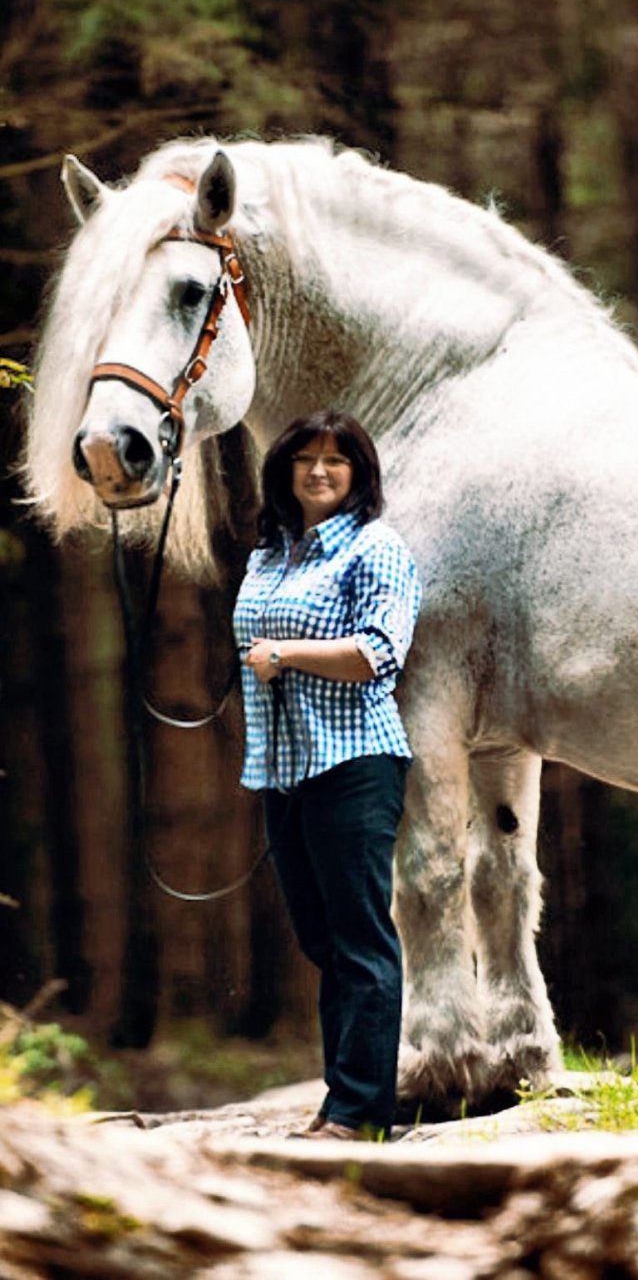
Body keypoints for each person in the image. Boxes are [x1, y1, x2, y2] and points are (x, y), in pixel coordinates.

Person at [233, 409, 420, 1141]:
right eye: (304, 458)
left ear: (358, 474)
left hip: (355, 760)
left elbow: (378, 651)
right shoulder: (270, 553)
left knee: (361, 939)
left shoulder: (377, 548)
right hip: (284, 768)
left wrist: (283, 652)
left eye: (335, 461)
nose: (318, 471)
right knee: (323, 941)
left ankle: (359, 1112)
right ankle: (341, 1100)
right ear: (283, 470)